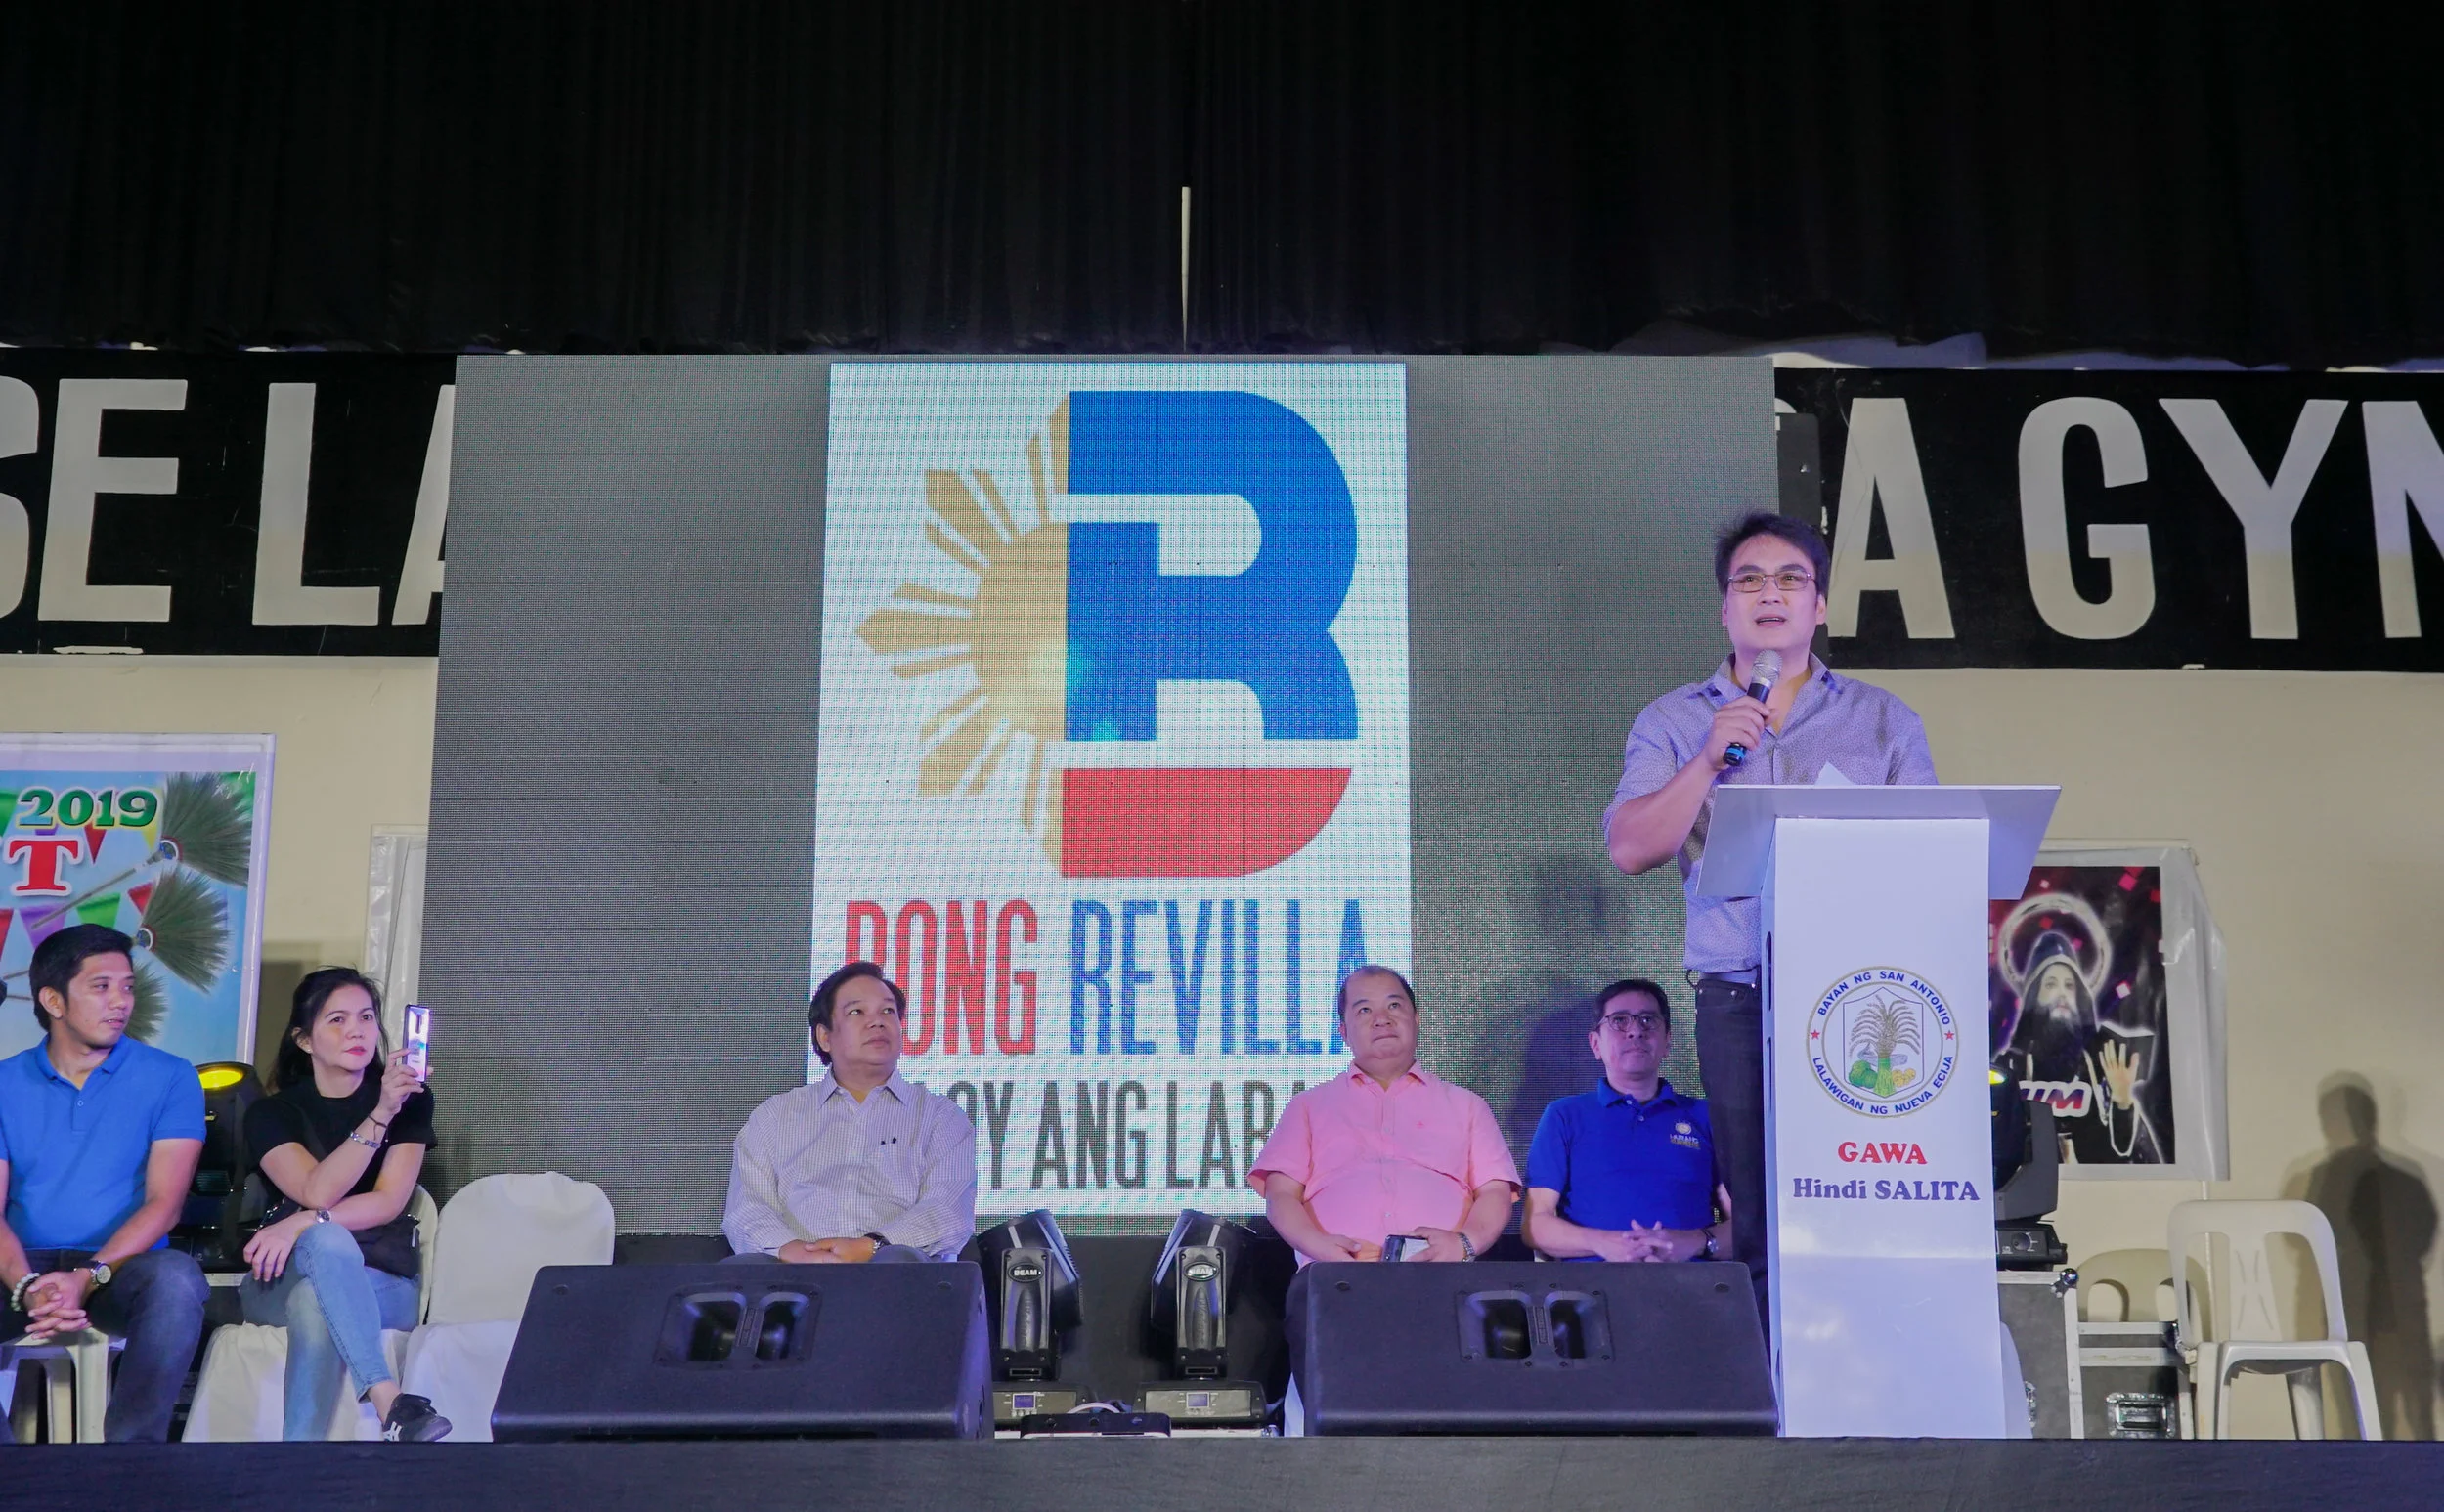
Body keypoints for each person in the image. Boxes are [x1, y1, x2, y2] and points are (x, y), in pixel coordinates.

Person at [1603, 510, 1935, 1318]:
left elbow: (1929, 856)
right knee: (1754, 1205)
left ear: (1819, 605)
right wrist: (1708, 760)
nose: (1770, 594)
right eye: (1749, 580)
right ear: (1726, 608)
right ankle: (1769, 1382)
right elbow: (1631, 847)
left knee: (1863, 1192)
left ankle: (1865, 1357)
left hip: (1863, 995)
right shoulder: (1674, 720)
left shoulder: (1883, 719)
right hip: (1740, 993)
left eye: (1791, 578)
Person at [0, 925, 208, 1443]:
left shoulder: (171, 1076)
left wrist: (87, 1276)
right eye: (101, 987)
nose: (121, 1001)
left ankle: (127, 1465)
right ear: (53, 1000)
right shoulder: (4, 1082)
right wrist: (26, 1286)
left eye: (128, 987)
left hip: (120, 1269)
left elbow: (165, 1204)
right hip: (20, 1269)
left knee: (177, 1281)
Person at [240, 967, 449, 1442]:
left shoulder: (411, 1101)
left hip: (382, 1278)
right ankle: (391, 1403)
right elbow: (316, 1191)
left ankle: (297, 1467)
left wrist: (302, 1223)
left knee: (315, 1295)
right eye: (337, 1020)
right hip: (280, 1279)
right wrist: (380, 1115)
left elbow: (389, 1201)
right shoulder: (272, 1113)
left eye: (366, 1017)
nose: (356, 1031)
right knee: (325, 1243)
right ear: (304, 1040)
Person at [1248, 966, 1519, 1265]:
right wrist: (1319, 1247)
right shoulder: (1307, 1106)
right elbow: (1280, 1196)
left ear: (1416, 1020)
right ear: (1343, 1032)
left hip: (1445, 1277)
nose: (1382, 1019)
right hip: (1335, 1278)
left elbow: (1495, 1191)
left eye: (1394, 1005)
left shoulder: (1467, 1106)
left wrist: (1464, 1244)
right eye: (1364, 1010)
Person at [723, 961, 978, 1264]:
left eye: (888, 1011)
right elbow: (747, 1209)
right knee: (744, 1268)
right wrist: (793, 1251)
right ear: (824, 1037)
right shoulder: (775, 1116)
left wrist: (872, 1247)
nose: (877, 1022)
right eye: (857, 1012)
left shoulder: (940, 1117)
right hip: (795, 1274)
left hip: (894, 1273)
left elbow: (947, 1212)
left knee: (898, 1262)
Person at [1521, 979, 1730, 1265]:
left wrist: (1694, 1243)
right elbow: (1535, 1225)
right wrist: (1604, 1244)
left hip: (1691, 1282)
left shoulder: (1706, 1116)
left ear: (1667, 1042)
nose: (1635, 1031)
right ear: (1596, 1044)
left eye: (1648, 1020)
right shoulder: (1564, 1116)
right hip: (1591, 1285)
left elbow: (1747, 1226)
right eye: (1619, 1021)